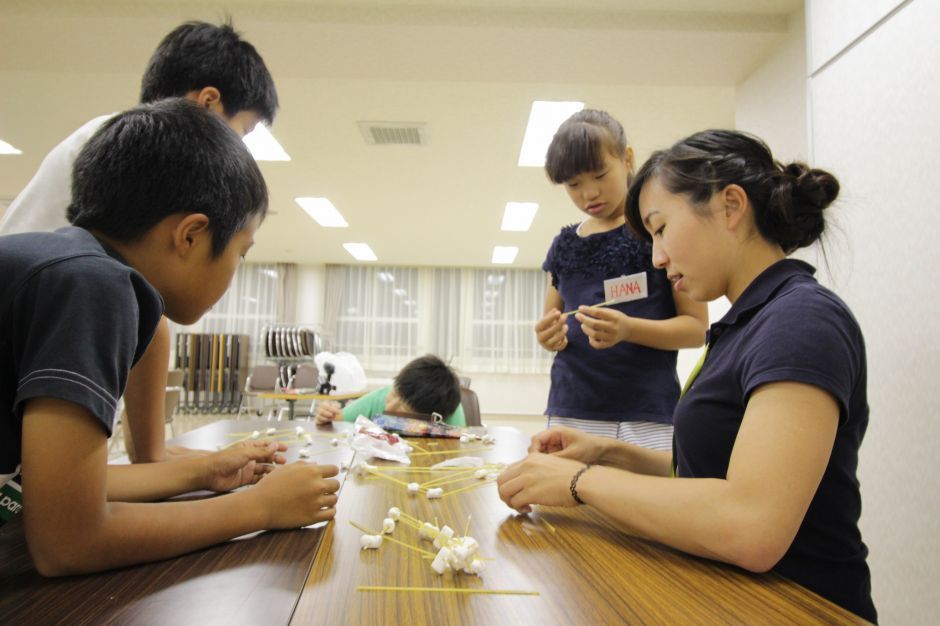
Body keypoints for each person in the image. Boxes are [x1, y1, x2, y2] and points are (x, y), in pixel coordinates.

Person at [498, 129, 877, 622]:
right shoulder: (746, 323)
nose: (656, 257)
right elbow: (709, 474)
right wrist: (606, 452)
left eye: (659, 229)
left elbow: (750, 524)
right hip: (731, 598)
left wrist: (580, 481)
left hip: (800, 607)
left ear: (730, 206)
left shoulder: (801, 321)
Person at [0, 99, 339, 574]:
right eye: (241, 253)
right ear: (191, 236)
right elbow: (67, 542)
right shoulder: (92, 286)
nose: (235, 271)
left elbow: (53, 487)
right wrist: (258, 508)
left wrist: (204, 470)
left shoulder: (72, 268)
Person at [0, 21, 278, 463]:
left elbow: (150, 318)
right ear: (207, 103)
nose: (238, 151)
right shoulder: (92, 272)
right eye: (242, 134)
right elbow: (70, 526)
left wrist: (170, 461)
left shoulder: (114, 277)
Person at [535, 109, 707, 449]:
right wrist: (547, 336)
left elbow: (696, 328)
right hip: (571, 405)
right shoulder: (564, 245)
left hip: (644, 411)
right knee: (563, 500)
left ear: (627, 159)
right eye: (573, 185)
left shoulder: (656, 232)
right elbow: (552, 324)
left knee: (641, 500)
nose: (589, 194)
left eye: (600, 175)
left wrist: (629, 330)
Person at [315, 354, 466, 426]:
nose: (389, 406)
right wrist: (326, 416)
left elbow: (458, 449)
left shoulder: (448, 411)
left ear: (433, 417)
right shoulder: (379, 397)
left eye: (403, 408)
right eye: (394, 394)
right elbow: (338, 421)